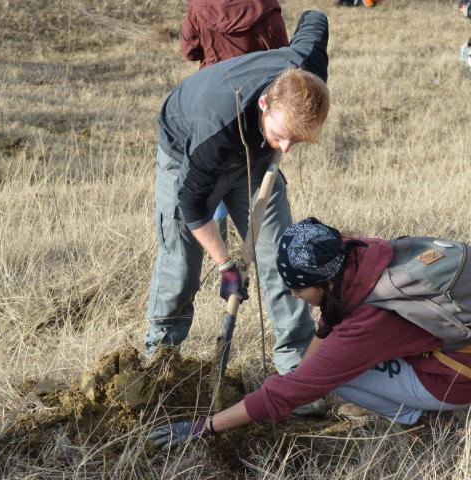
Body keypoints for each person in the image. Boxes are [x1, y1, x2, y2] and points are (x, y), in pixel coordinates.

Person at [149, 218, 471, 450]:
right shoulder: (357, 254)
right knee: (323, 368)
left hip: (455, 376)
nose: (292, 295)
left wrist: (205, 427)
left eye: (297, 288)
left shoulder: (370, 320)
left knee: (341, 378)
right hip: (447, 341)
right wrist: (301, 374)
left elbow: (287, 394)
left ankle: (421, 419)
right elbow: (331, 322)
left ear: (325, 283)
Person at [146, 11, 330, 384]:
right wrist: (226, 264)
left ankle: (296, 367)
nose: (289, 148)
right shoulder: (215, 127)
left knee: (282, 254)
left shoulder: (306, 70)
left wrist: (276, 140)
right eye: (284, 136)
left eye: (298, 139)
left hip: (254, 158)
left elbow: (315, 19)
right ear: (265, 104)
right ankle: (160, 365)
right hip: (188, 152)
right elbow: (192, 205)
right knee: (181, 262)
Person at [181, 0, 290, 242]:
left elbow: (189, 50)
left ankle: (217, 244)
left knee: (211, 173)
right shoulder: (268, 9)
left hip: (211, 104)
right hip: (256, 110)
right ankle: (259, 243)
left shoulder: (199, 6)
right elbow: (285, 59)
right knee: (258, 173)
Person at [181, 0, 289, 70]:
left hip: (214, 86)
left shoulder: (198, 6)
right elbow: (284, 57)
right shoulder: (267, 6)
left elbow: (189, 52)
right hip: (260, 91)